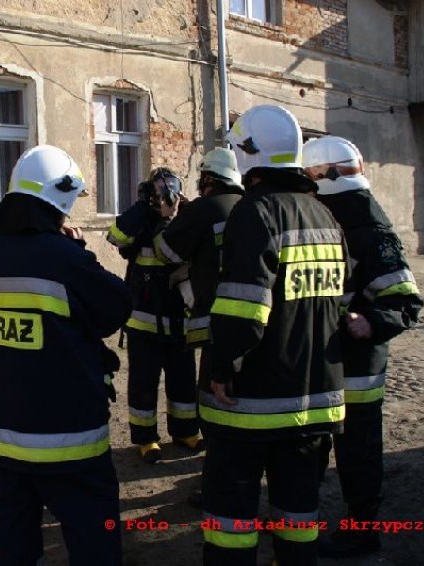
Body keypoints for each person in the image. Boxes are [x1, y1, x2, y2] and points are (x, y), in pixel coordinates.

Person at [0, 145, 131, 565]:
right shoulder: (63, 257)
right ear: (58, 199)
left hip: (5, 435)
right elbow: (115, 306)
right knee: (94, 532)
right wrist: (80, 254)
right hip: (67, 437)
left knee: (13, 533)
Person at [199, 104, 348, 565]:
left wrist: (221, 367)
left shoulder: (256, 212)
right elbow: (338, 303)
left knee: (231, 522)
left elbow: (245, 311)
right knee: (298, 516)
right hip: (316, 397)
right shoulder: (326, 216)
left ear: (249, 156)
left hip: (252, 405)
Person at [303, 135, 424, 557]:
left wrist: (371, 321)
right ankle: (303, 522)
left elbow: (405, 300)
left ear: (323, 176)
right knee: (312, 445)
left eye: (310, 176)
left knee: (357, 454)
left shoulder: (368, 223)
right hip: (323, 362)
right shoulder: (331, 211)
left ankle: (360, 532)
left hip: (356, 369)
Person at [151, 148, 244, 506]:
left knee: (214, 405)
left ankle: (219, 488)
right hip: (253, 322)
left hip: (213, 323)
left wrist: (169, 218)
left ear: (207, 179)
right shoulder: (249, 205)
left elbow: (166, 252)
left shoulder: (204, 210)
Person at [107, 168, 203, 463]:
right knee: (143, 384)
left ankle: (186, 431)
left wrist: (179, 212)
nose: (166, 198)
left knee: (184, 379)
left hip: (178, 317)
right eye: (160, 192)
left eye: (170, 190)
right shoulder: (140, 221)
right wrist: (145, 206)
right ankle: (146, 438)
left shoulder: (184, 218)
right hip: (144, 319)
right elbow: (116, 237)